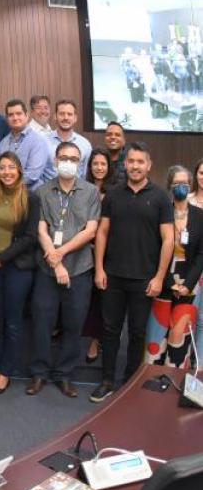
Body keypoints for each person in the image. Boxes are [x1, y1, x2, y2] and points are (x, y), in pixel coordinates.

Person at [92, 143, 174, 403]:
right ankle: (107, 381)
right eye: (131, 161)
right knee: (109, 331)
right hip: (112, 276)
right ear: (125, 164)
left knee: (137, 333)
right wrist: (99, 268)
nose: (135, 166)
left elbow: (168, 240)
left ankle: (128, 383)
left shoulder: (161, 197)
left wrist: (159, 277)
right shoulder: (113, 195)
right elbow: (102, 232)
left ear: (149, 165)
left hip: (145, 280)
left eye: (140, 162)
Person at [29, 142, 101, 397]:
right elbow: (41, 230)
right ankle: (39, 373)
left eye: (73, 158)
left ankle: (64, 374)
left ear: (80, 163)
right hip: (47, 269)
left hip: (79, 268)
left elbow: (90, 231)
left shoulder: (91, 192)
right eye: (64, 157)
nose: (68, 162)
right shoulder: (42, 192)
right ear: (56, 161)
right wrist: (56, 261)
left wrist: (61, 253)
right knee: (42, 322)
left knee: (73, 324)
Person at [0, 153, 39, 395]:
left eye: (11, 167)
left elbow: (30, 237)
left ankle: (6, 372)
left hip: (17, 268)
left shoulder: (30, 198)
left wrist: (2, 257)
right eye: (2, 168)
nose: (6, 172)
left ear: (19, 171)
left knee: (12, 322)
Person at [152, 165, 203, 369]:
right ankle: (151, 377)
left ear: (190, 185)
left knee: (180, 337)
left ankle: (174, 377)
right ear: (169, 186)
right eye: (176, 183)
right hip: (162, 281)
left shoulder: (200, 215)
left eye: (184, 183)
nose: (181, 187)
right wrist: (166, 281)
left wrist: (188, 284)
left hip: (188, 283)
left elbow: (201, 254)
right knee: (156, 336)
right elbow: (153, 248)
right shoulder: (160, 212)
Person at [82, 146, 113, 363]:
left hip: (107, 253)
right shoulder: (81, 188)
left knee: (100, 299)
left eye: (103, 164)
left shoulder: (115, 192)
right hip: (81, 249)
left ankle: (96, 340)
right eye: (95, 164)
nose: (99, 168)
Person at [0, 99, 51, 191]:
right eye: (11, 115)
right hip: (4, 195)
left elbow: (32, 175)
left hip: (30, 195)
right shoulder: (3, 143)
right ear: (7, 119)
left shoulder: (38, 141)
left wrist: (7, 186)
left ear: (26, 116)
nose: (15, 118)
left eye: (19, 114)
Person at [43, 100, 92, 181]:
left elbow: (85, 174)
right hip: (48, 188)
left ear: (75, 118)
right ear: (55, 116)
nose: (66, 118)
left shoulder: (85, 145)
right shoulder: (43, 142)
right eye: (62, 114)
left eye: (69, 114)